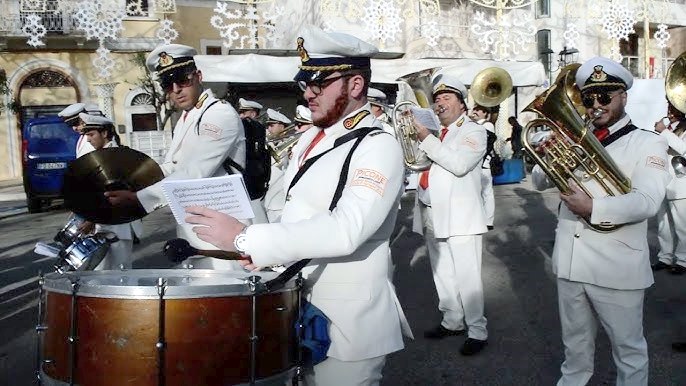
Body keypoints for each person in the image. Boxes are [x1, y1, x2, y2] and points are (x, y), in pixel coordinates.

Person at [184, 25, 411, 385]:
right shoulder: (316, 139)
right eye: (304, 83)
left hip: (349, 326)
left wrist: (247, 238)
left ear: (355, 85)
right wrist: (264, 250)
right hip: (301, 309)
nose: (307, 93)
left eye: (318, 83)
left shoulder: (378, 146)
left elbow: (346, 230)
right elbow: (295, 213)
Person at [531, 56, 670, 385]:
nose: (596, 105)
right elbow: (538, 181)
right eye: (589, 98)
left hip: (616, 267)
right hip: (570, 263)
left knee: (629, 353)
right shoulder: (573, 137)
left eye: (605, 96)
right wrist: (550, 152)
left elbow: (647, 200)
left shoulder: (648, 141)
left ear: (623, 96)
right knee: (574, 352)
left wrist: (593, 207)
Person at [104, 43, 250, 270]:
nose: (176, 90)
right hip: (193, 226)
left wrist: (139, 199)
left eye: (182, 80)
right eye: (167, 85)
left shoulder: (218, 114)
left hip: (224, 226)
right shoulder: (187, 118)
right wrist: (132, 183)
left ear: (198, 76)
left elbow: (194, 172)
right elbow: (171, 166)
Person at [410, 73, 489, 355]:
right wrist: (414, 140)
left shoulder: (473, 131)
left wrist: (426, 139)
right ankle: (452, 320)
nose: (439, 103)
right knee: (441, 272)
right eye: (437, 99)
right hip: (430, 209)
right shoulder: (437, 134)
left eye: (446, 98)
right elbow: (419, 165)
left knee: (468, 277)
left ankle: (478, 329)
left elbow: (458, 164)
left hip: (460, 216)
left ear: (462, 105)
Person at [77, 113, 137, 269]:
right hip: (104, 225)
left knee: (120, 274)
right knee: (102, 274)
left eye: (91, 134)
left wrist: (90, 221)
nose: (88, 139)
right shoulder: (101, 156)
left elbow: (112, 194)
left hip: (119, 226)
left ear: (104, 133)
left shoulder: (116, 157)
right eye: (86, 135)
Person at [652, 103, 686, 275]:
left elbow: (684, 149)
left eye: (673, 110)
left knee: (682, 226)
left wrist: (664, 132)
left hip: (680, 185)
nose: (669, 112)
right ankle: (665, 257)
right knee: (663, 224)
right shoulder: (669, 129)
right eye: (668, 109)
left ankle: (683, 260)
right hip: (663, 182)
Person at [263, 108, 294, 223]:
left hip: (279, 201)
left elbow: (280, 162)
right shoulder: (267, 142)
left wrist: (270, 143)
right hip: (267, 197)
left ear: (282, 126)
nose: (268, 129)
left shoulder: (290, 143)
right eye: (268, 126)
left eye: (272, 125)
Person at [471, 104, 496, 230]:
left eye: (478, 110)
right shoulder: (472, 124)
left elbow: (486, 144)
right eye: (474, 109)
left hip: (484, 166)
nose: (474, 111)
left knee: (487, 193)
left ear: (486, 113)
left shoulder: (487, 125)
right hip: (474, 166)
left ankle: (489, 221)